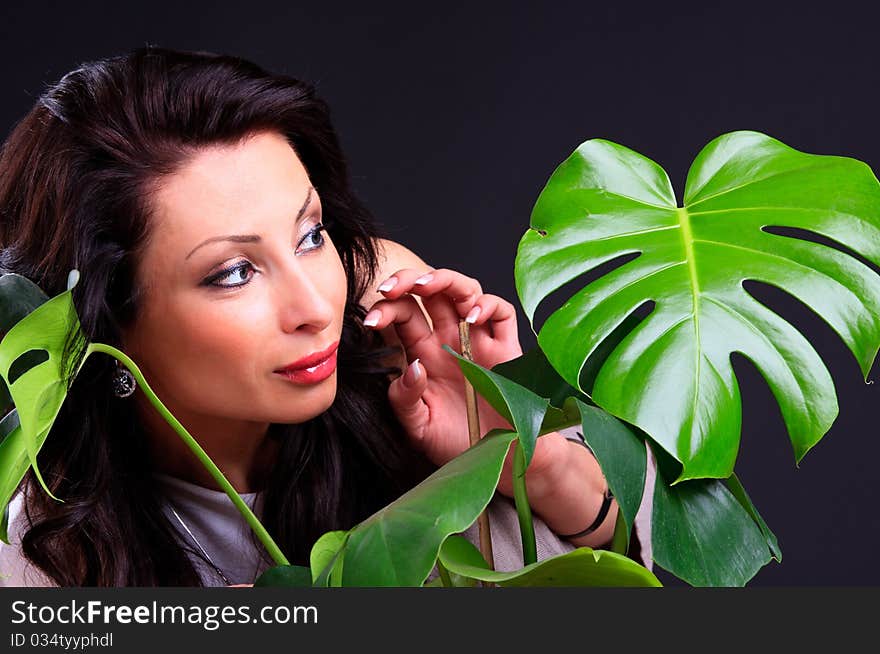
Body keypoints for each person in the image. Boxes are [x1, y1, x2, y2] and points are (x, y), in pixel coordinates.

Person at [0, 46, 647, 586]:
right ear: (105, 322)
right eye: (232, 272)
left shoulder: (394, 348)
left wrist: (523, 458)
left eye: (310, 235)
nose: (316, 308)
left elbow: (630, 562)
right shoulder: (35, 539)